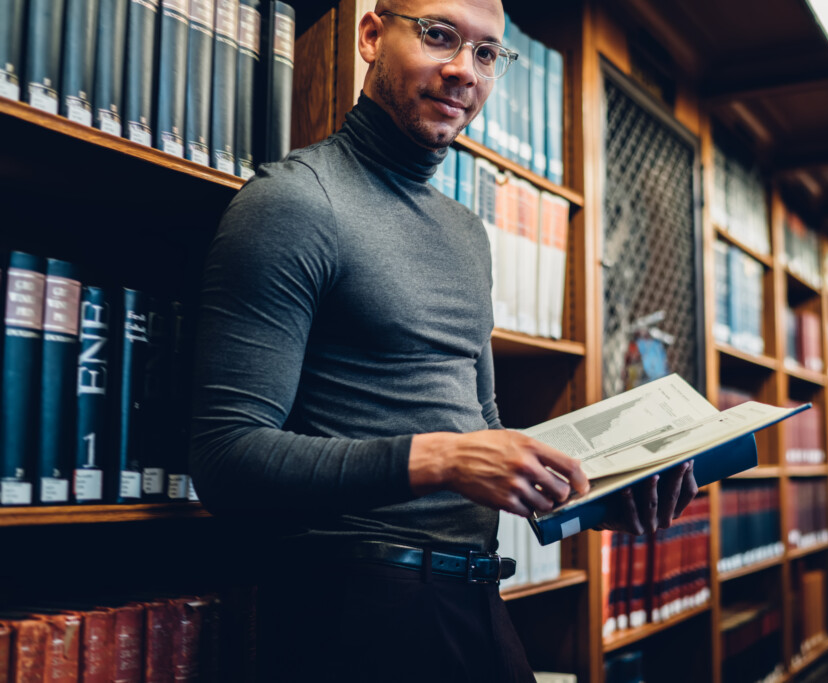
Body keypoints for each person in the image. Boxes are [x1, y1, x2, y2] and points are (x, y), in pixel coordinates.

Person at [189, 0, 698, 680]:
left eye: (487, 53)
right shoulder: (294, 203)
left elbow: (479, 423)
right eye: (439, 36)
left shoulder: (465, 234)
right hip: (353, 611)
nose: (464, 71)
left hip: (478, 596)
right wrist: (444, 459)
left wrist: (594, 487)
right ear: (372, 35)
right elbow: (226, 458)